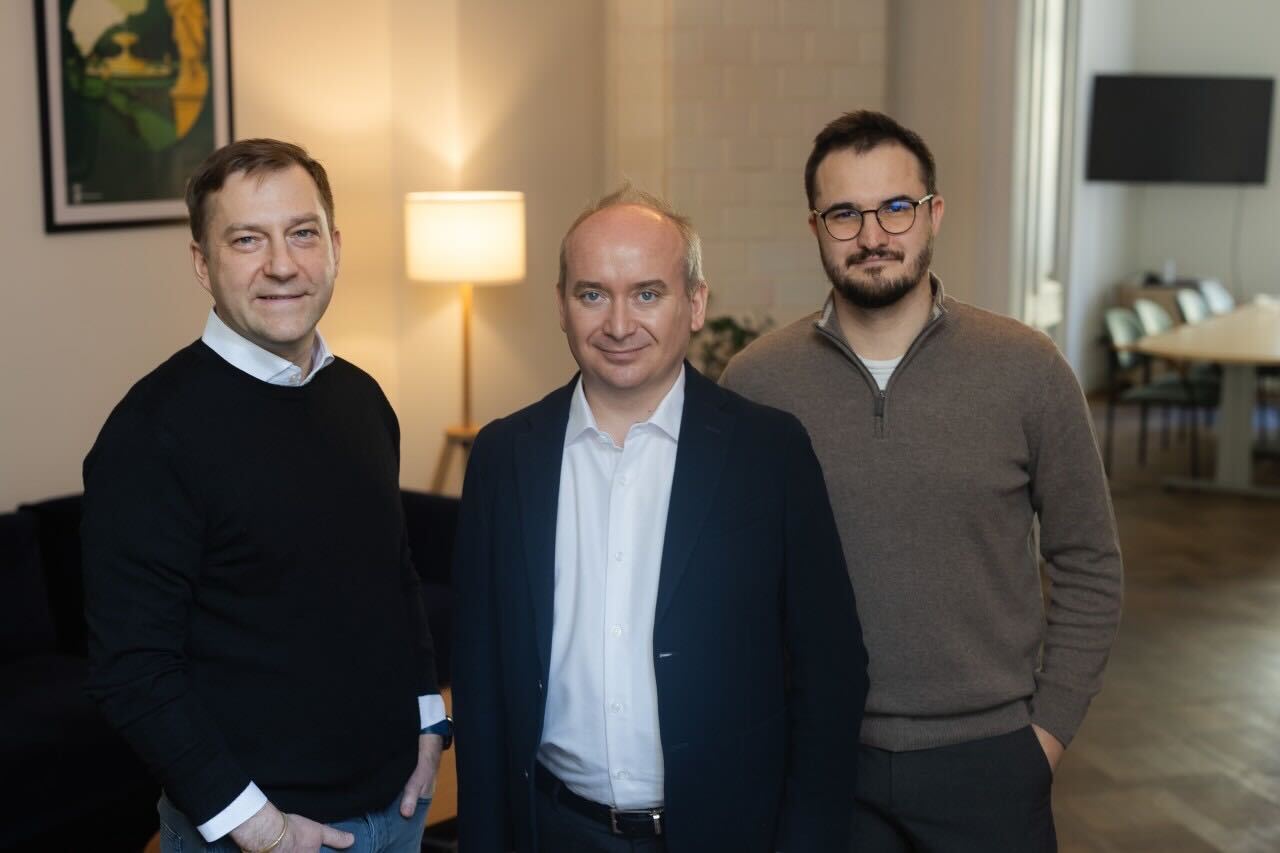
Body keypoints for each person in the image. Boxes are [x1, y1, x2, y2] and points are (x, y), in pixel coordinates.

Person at [721, 110, 1124, 852]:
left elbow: (1090, 560)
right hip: (822, 759)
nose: (873, 234)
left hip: (991, 759)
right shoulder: (757, 382)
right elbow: (731, 579)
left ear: (934, 213)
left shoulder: (1027, 368)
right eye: (845, 213)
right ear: (815, 228)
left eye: (896, 207)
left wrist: (1047, 735)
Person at [451, 185, 868, 853]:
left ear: (695, 303)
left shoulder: (769, 453)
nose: (619, 324)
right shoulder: (505, 456)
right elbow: (478, 678)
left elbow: (831, 671)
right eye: (593, 294)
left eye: (647, 293)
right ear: (561, 305)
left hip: (727, 834)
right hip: (554, 829)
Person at [82, 138, 450, 853]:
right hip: (263, 836)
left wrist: (429, 724)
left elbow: (395, 576)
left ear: (334, 247)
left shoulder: (362, 399)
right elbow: (132, 671)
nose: (282, 264)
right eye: (248, 240)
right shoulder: (151, 433)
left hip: (399, 813)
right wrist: (263, 830)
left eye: (302, 233)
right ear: (203, 263)